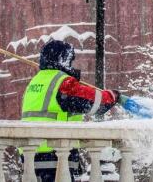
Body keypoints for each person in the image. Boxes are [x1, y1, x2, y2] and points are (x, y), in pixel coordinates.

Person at [21, 40, 121, 182]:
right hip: (53, 157)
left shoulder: (36, 81)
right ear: (63, 59)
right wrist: (112, 96)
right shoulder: (63, 82)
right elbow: (97, 103)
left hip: (30, 155)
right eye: (70, 60)